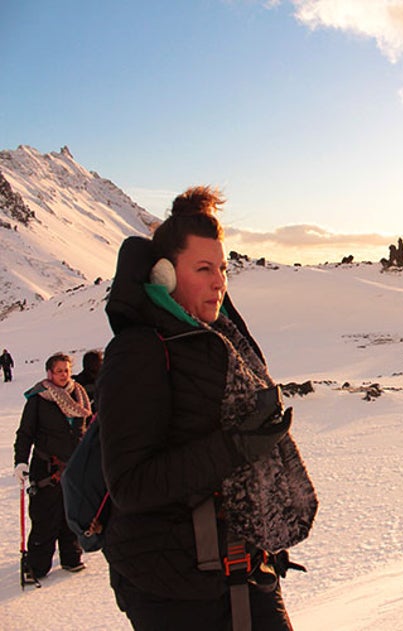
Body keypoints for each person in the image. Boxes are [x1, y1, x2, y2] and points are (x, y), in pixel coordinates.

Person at [98, 186, 317, 630]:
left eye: (223, 268)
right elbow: (130, 485)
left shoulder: (224, 343)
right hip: (174, 588)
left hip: (244, 569)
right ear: (164, 275)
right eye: (203, 268)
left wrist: (263, 525)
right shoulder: (138, 351)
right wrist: (237, 447)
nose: (219, 280)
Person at [13, 352, 91, 581]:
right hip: (46, 468)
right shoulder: (39, 400)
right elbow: (25, 433)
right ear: (49, 373)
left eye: (66, 370)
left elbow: (88, 431)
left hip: (75, 467)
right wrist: (20, 461)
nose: (63, 375)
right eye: (59, 371)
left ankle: (71, 557)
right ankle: (37, 565)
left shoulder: (80, 397)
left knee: (72, 514)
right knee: (45, 517)